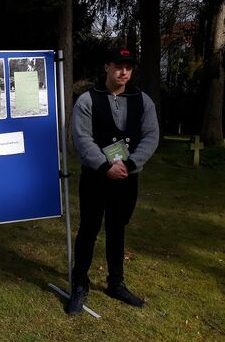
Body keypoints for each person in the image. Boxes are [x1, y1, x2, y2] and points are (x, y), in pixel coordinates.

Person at [67, 47, 159, 315]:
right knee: (89, 229)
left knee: (117, 229)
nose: (124, 72)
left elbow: (151, 136)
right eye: (118, 66)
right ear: (107, 66)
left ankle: (115, 283)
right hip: (96, 177)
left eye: (128, 67)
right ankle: (80, 283)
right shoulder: (87, 100)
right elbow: (82, 139)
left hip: (127, 178)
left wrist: (129, 164)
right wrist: (105, 165)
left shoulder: (143, 101)